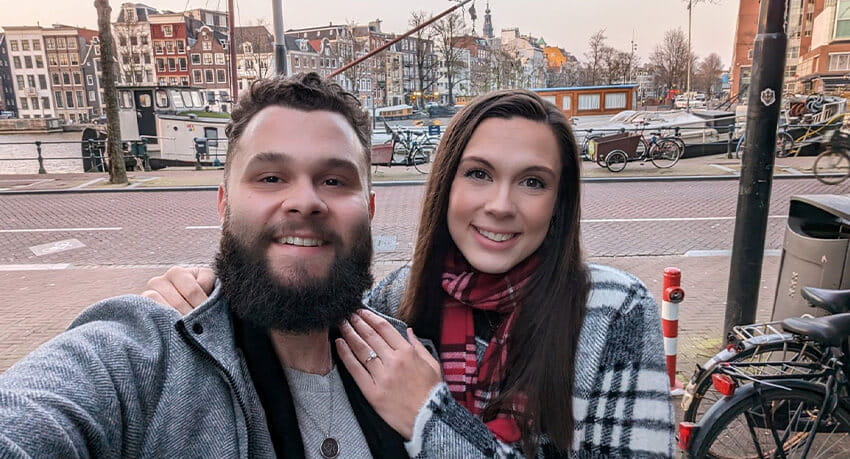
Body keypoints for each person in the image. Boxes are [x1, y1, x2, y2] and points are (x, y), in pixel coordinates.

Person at [146, 89, 675, 456]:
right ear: (446, 186)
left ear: (559, 204)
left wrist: (430, 417)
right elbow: (292, 309)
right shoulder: (394, 300)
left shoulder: (612, 310)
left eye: (533, 183)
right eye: (479, 174)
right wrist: (205, 296)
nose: (500, 205)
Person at [0, 72, 439, 457]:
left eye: (334, 180)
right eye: (271, 177)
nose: (305, 201)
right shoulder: (145, 357)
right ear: (224, 204)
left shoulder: (413, 359)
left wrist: (434, 419)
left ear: (370, 208)